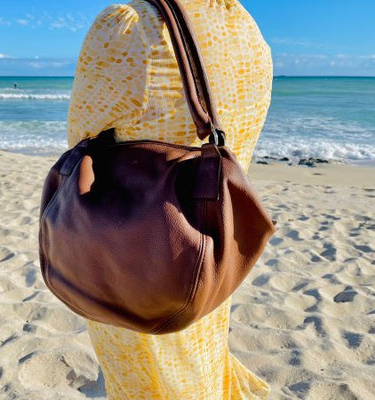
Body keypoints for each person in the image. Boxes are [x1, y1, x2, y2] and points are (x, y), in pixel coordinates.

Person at [67, 0, 273, 398]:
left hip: (137, 251)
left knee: (146, 375)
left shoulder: (130, 28)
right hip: (213, 246)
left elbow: (80, 139)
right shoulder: (245, 30)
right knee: (201, 362)